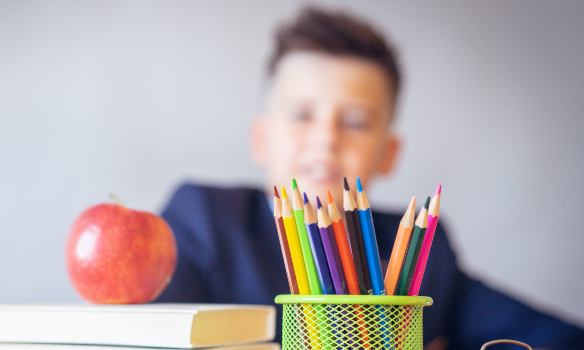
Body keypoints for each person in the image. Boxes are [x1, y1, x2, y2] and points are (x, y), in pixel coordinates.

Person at [155, 6, 584, 350]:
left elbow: (561, 339)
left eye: (356, 122)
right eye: (302, 115)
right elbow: (145, 336)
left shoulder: (419, 247)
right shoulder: (204, 218)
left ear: (388, 154)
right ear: (261, 139)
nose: (326, 139)